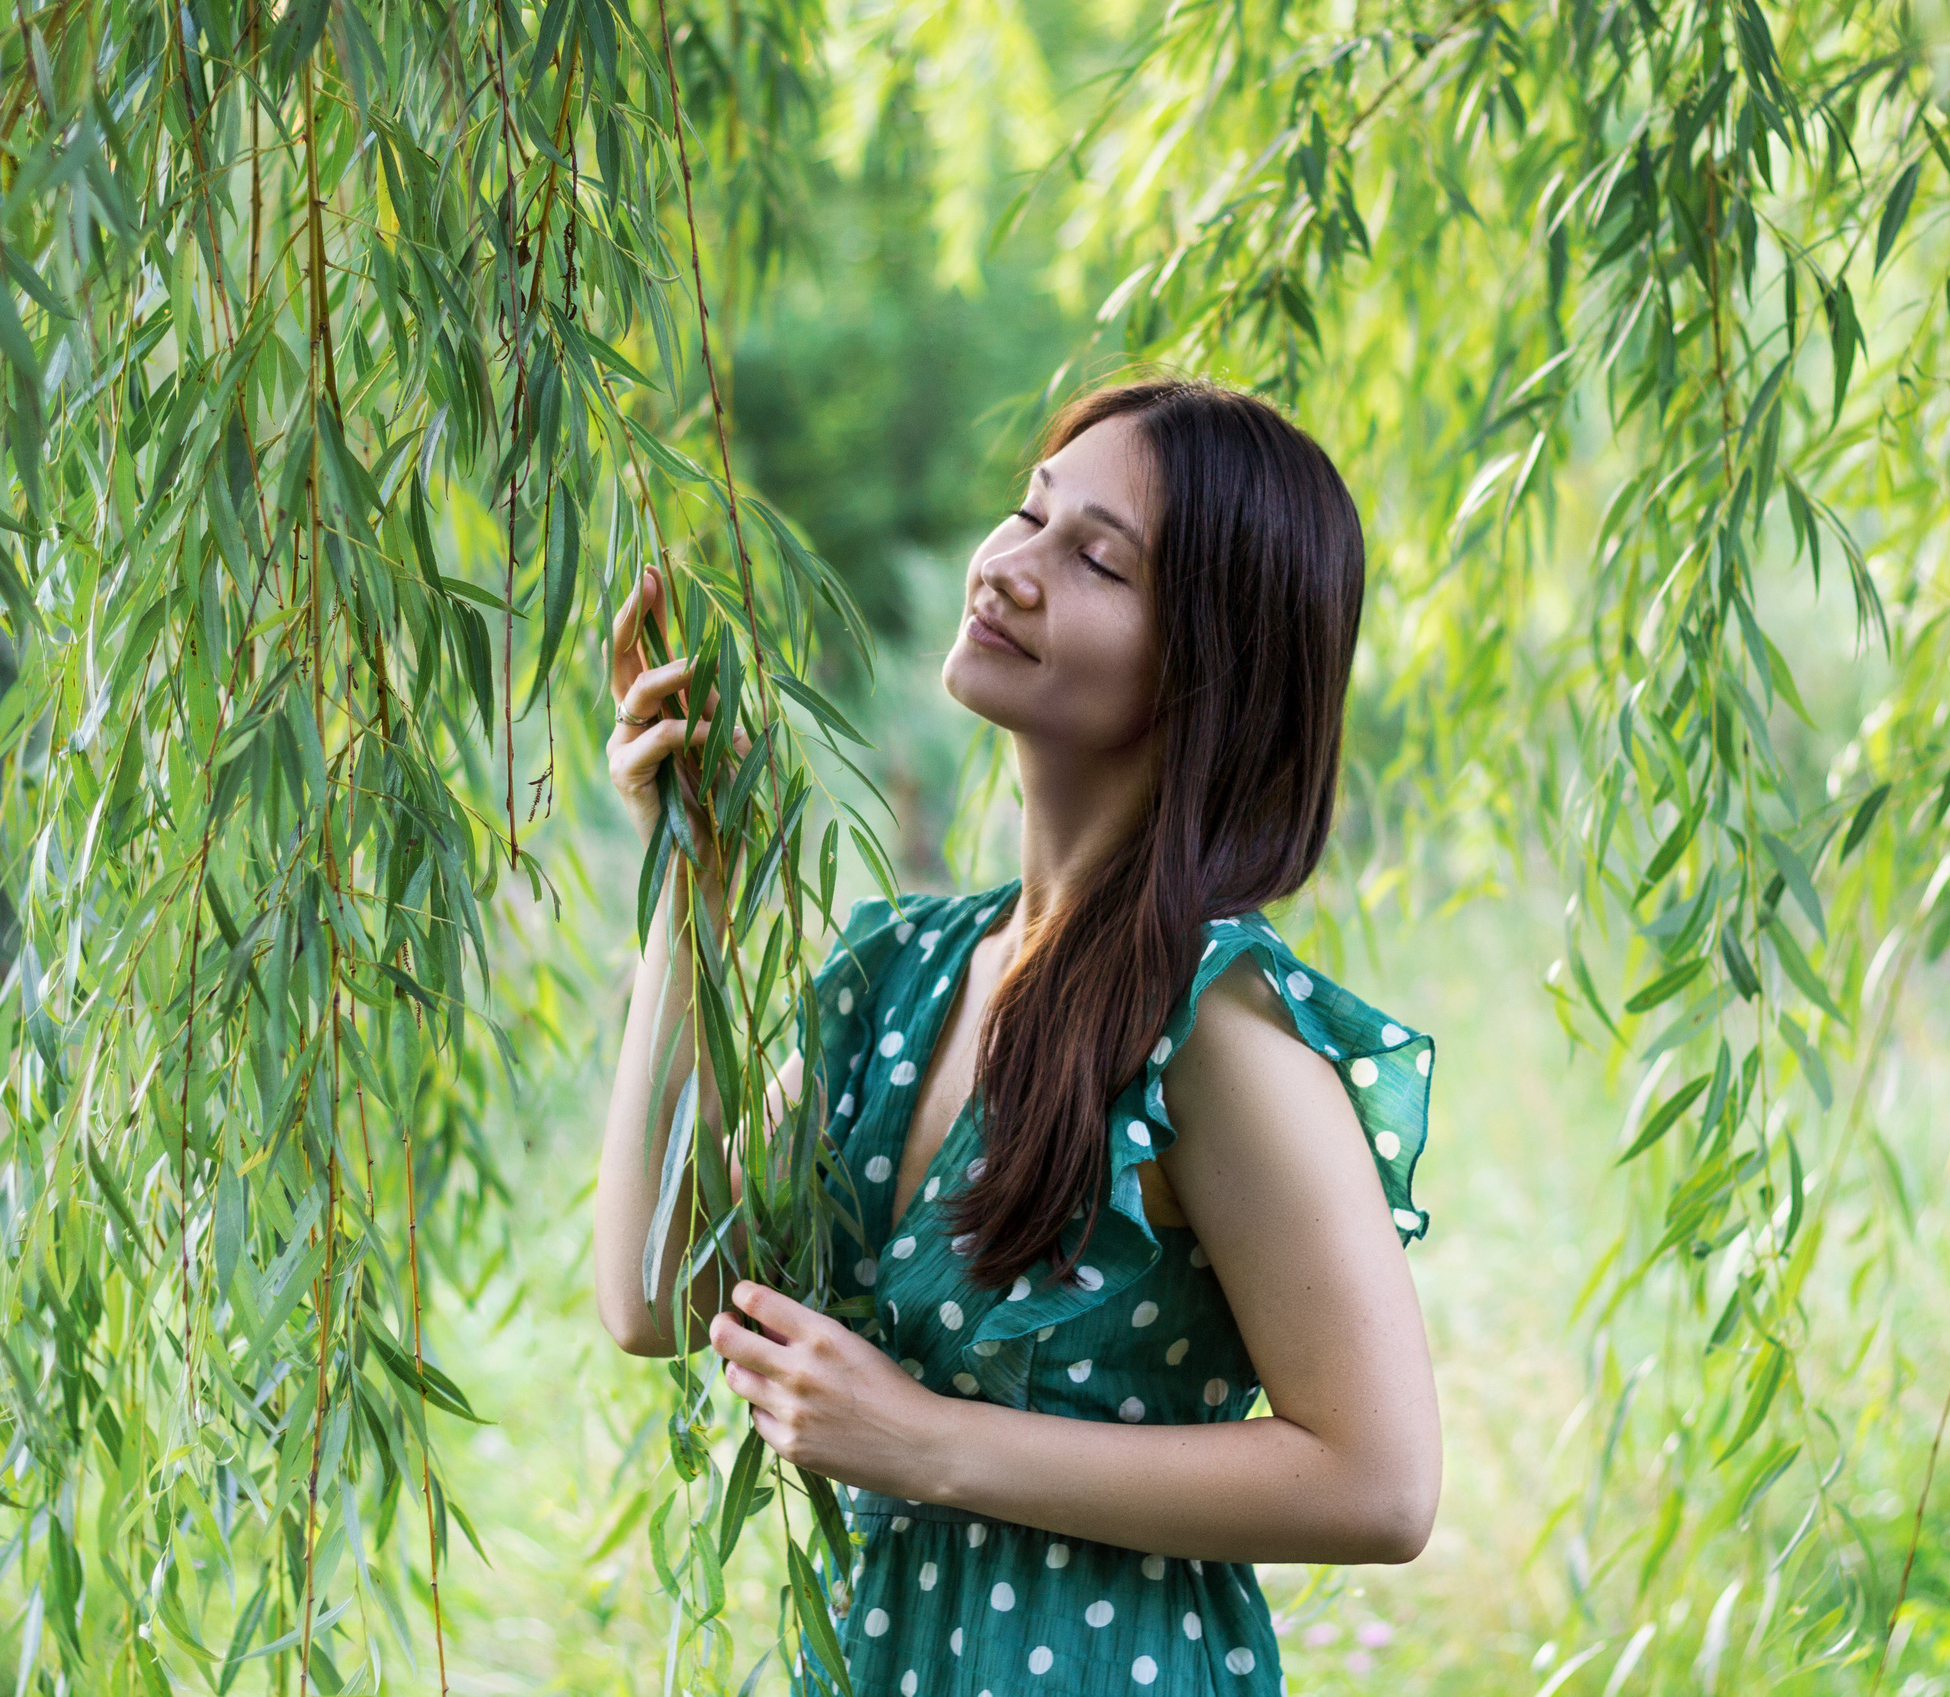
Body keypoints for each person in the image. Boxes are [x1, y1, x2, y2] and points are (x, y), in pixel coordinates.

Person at [593, 379, 1440, 1695]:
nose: (1010, 567)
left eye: (1095, 557)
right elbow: (660, 1297)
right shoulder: (897, 977)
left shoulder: (1210, 1032)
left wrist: (924, 1441)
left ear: (1211, 664)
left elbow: (1379, 1483)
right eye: (1028, 514)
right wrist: (689, 885)